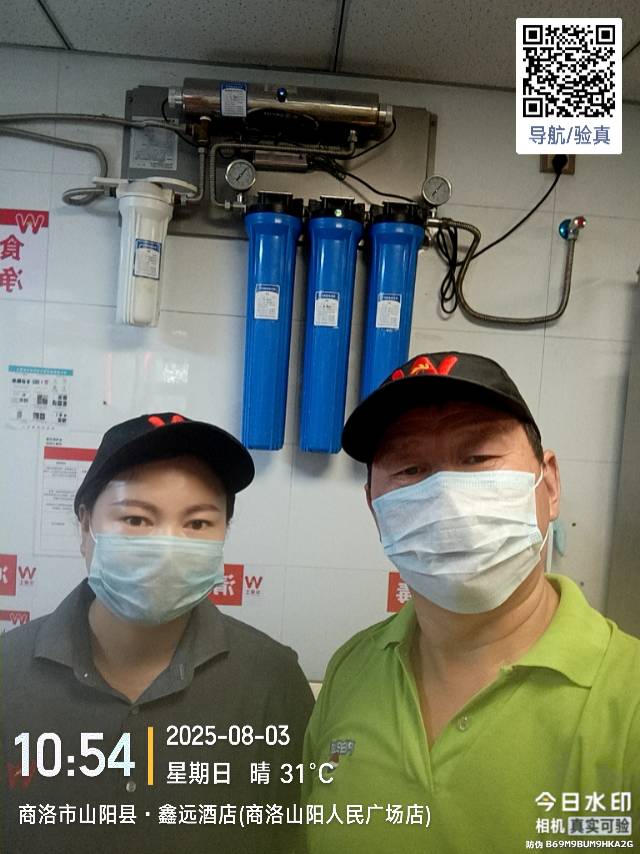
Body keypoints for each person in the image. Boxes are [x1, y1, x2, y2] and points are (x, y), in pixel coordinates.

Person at [302, 352, 640, 852]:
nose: (447, 496)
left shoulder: (628, 699)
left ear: (549, 484)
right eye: (410, 468)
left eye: (477, 458)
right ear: (376, 509)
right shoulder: (351, 669)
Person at [1, 411, 314, 854]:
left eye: (197, 524)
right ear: (85, 525)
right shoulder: (8, 670)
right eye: (136, 519)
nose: (168, 547)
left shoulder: (272, 678)